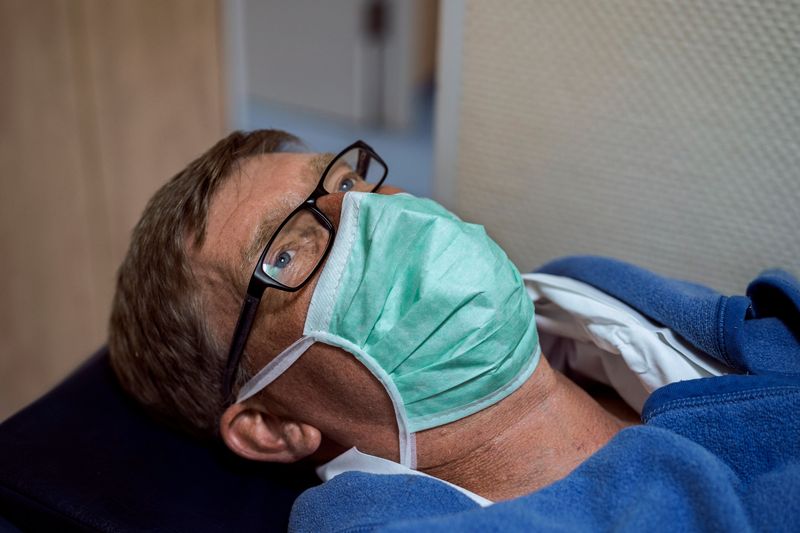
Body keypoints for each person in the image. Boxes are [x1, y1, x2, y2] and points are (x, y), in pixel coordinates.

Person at [110, 129, 800, 529]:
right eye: (285, 251)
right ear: (270, 425)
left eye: (345, 182)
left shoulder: (589, 290)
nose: (371, 217)